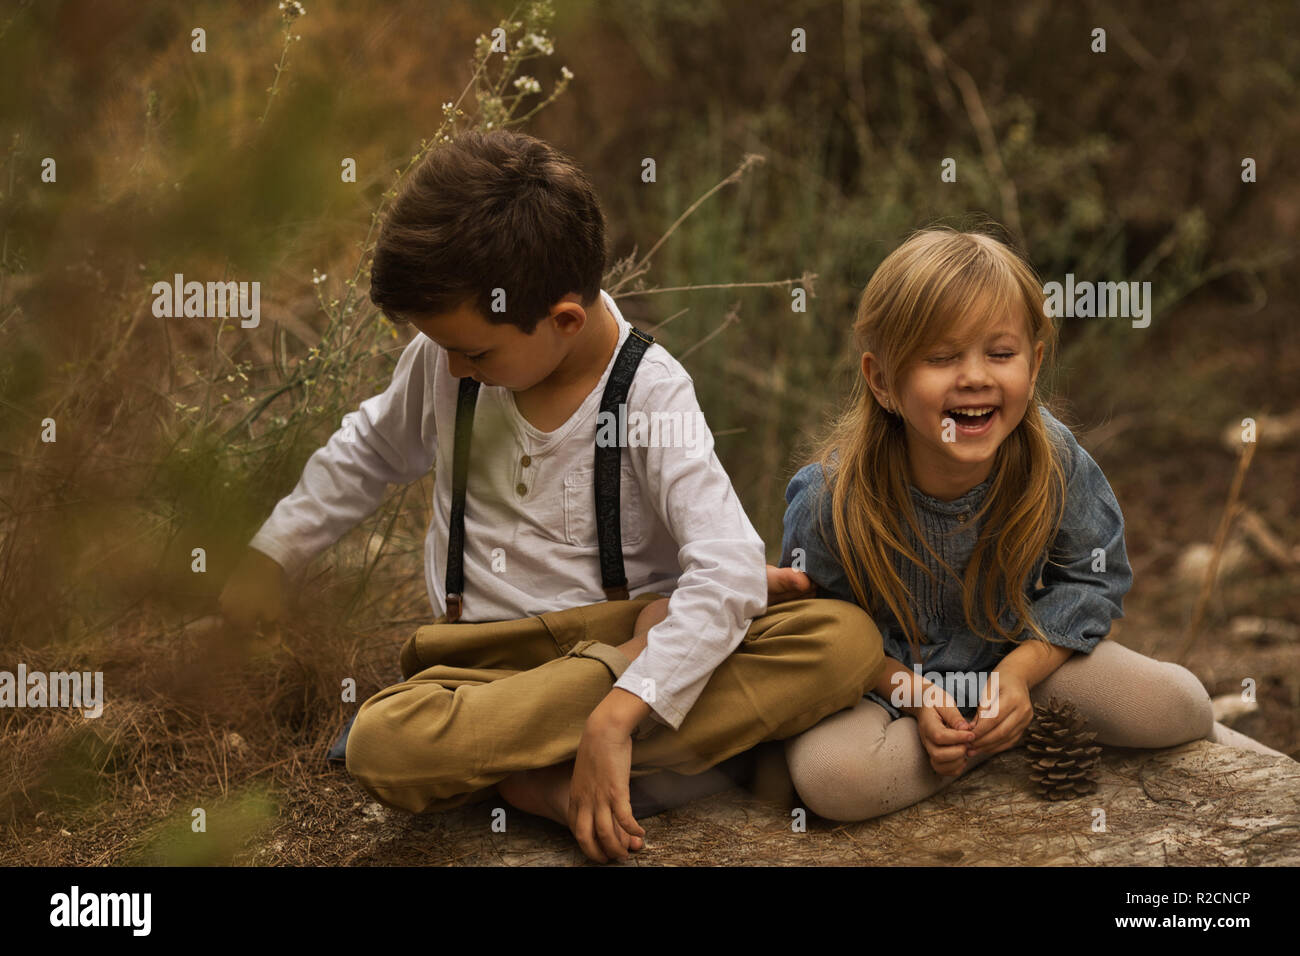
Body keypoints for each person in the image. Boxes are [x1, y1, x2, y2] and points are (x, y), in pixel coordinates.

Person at [219, 129, 885, 860]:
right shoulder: (448, 362)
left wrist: (617, 710)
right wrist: (273, 554)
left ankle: (554, 766)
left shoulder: (650, 394)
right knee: (382, 741)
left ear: (563, 319)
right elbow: (370, 452)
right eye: (442, 347)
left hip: (624, 638)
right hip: (482, 670)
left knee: (842, 641)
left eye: (473, 351)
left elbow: (725, 567)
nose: (451, 367)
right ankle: (612, 754)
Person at [757, 224, 1287, 822]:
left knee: (1179, 705)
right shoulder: (832, 496)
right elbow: (816, 629)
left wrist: (1017, 674)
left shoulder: (1051, 458)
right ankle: (986, 745)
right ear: (882, 381)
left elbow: (1094, 580)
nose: (976, 376)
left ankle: (1005, 725)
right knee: (835, 779)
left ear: (1033, 366)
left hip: (1022, 667)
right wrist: (909, 691)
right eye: (941, 357)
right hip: (883, 689)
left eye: (1000, 354)